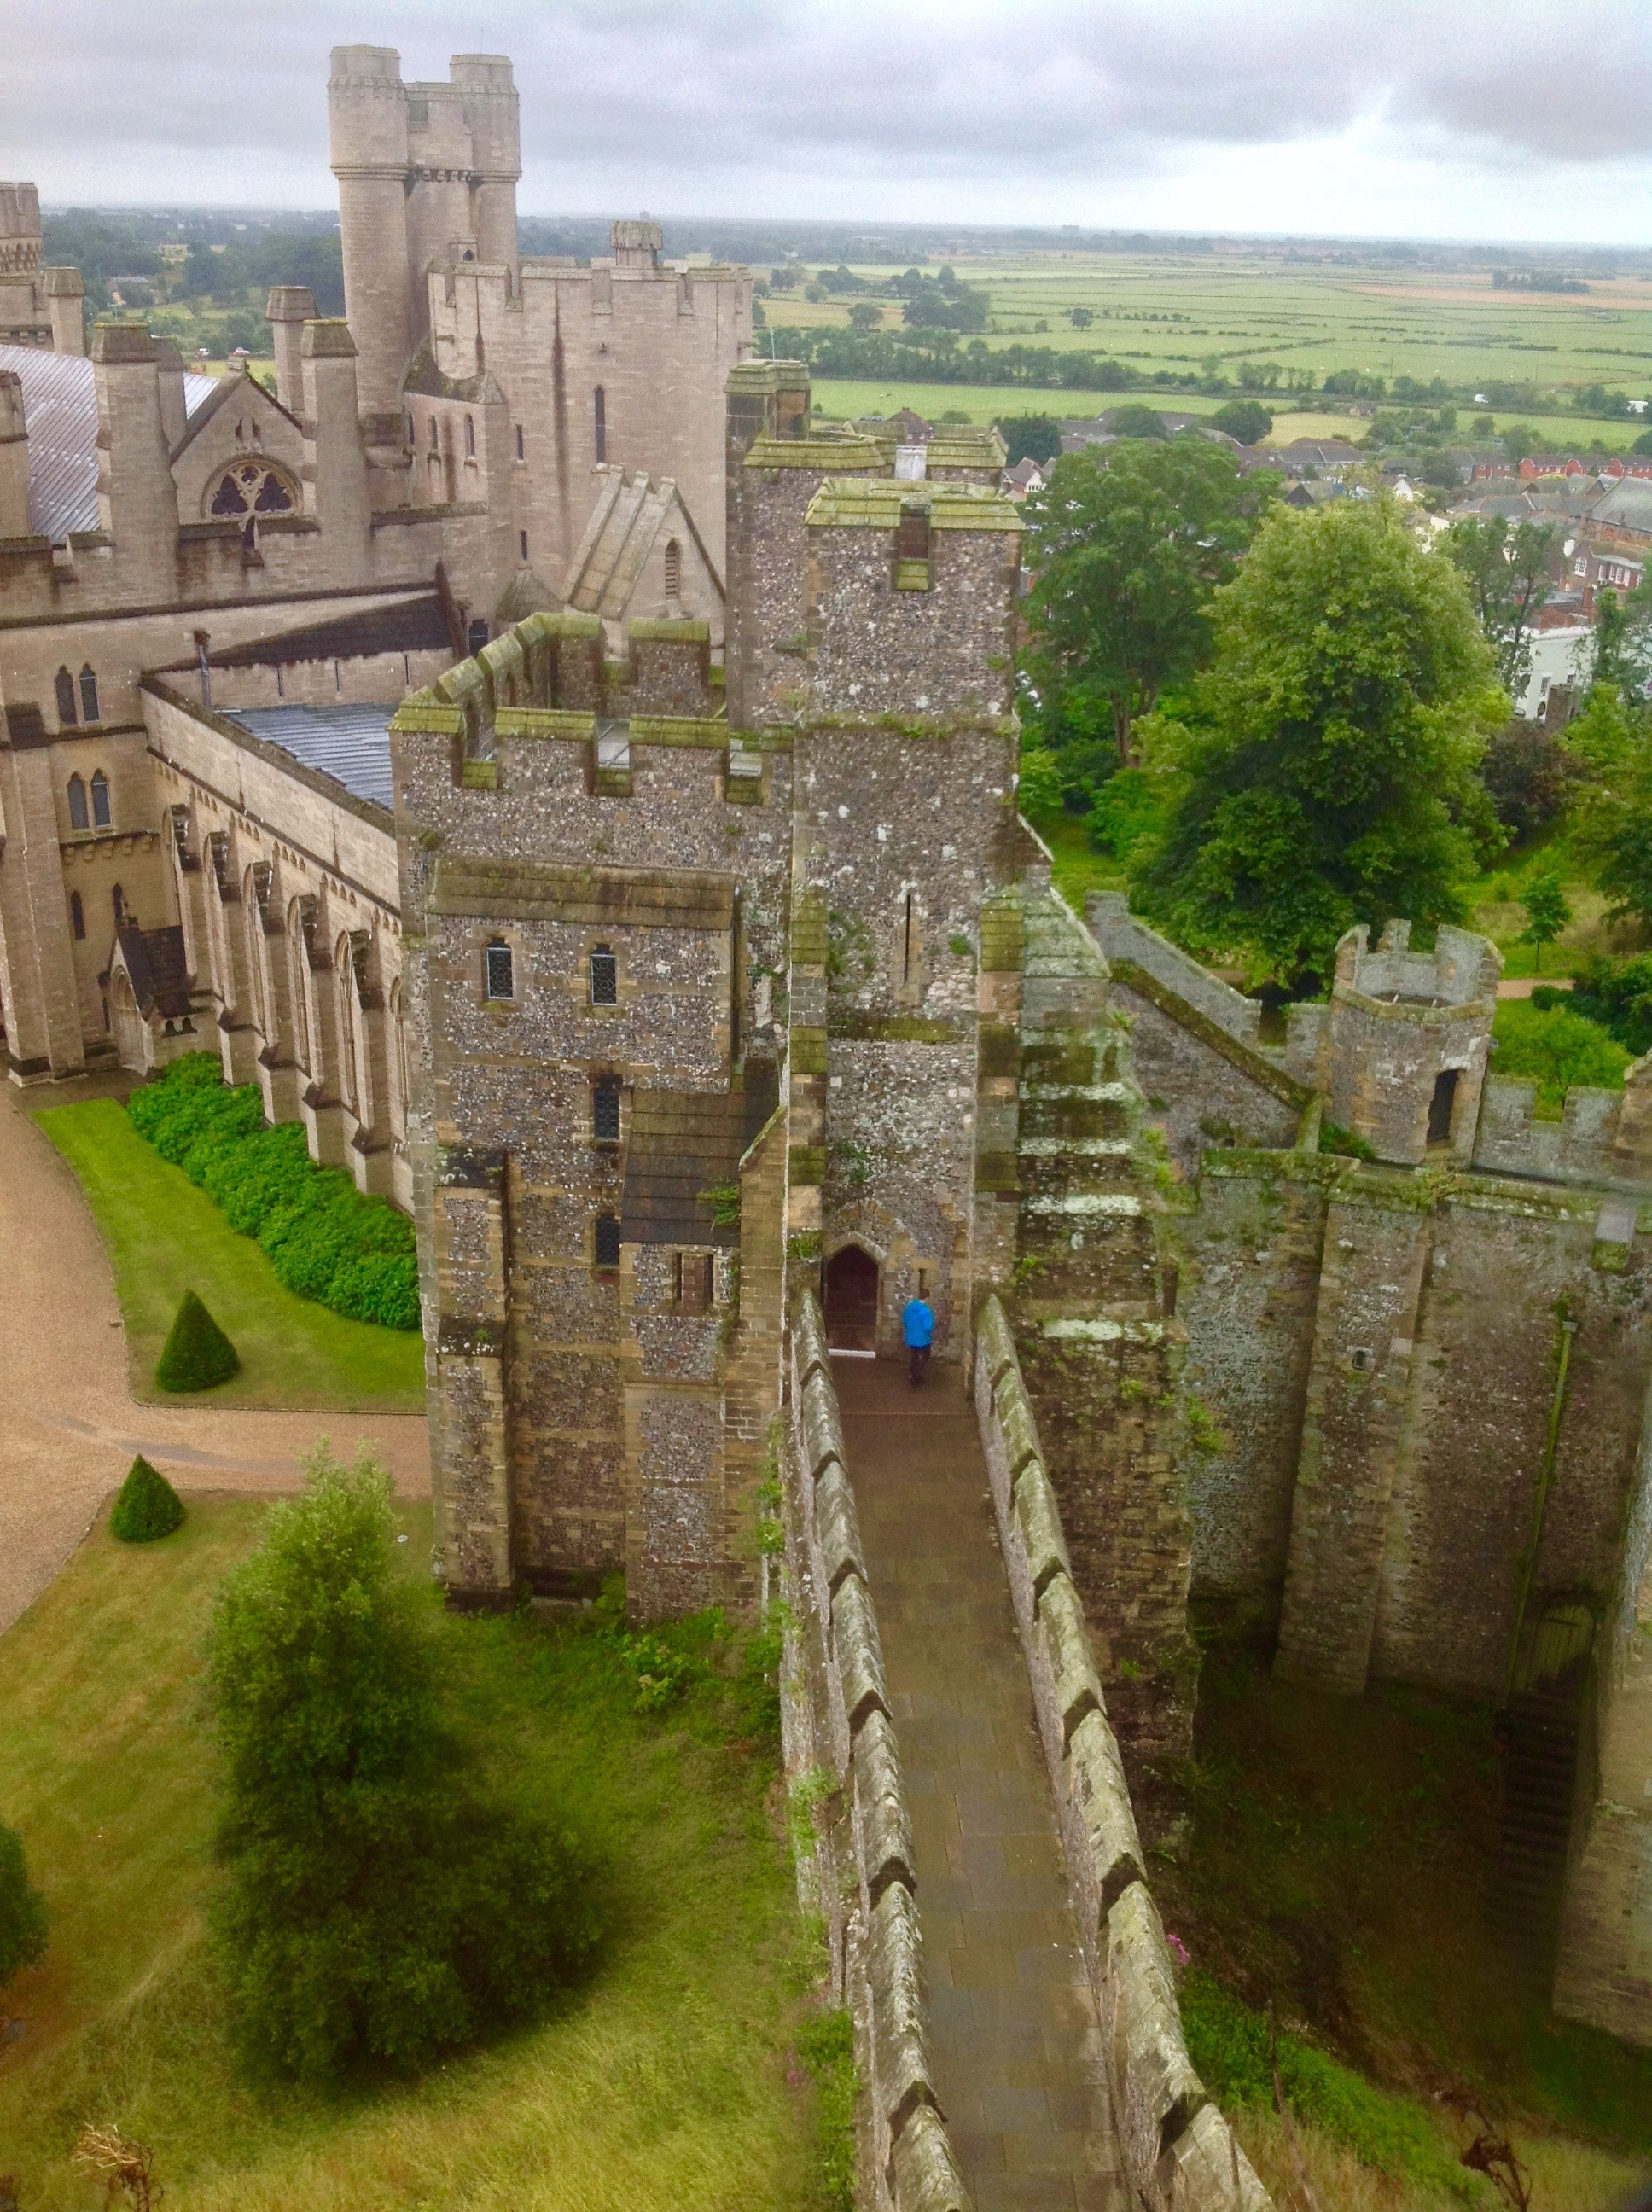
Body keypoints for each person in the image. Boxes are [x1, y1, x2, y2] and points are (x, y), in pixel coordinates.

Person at [902, 1290, 935, 1386]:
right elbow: (928, 1327)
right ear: (927, 1298)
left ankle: (912, 1373)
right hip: (923, 1339)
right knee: (925, 1356)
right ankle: (915, 1374)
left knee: (914, 1356)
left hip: (911, 1337)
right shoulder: (926, 1311)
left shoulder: (909, 1307)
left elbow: (905, 1320)